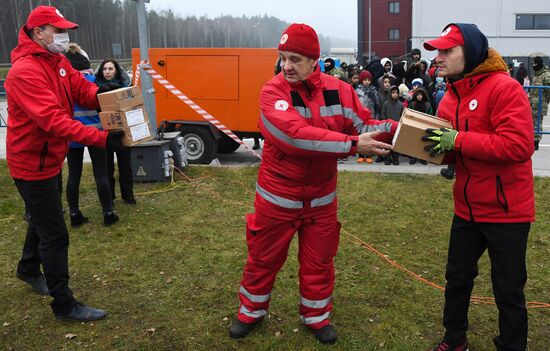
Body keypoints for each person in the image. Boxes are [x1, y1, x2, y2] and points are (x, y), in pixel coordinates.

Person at [229, 23, 397, 345]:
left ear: (313, 60)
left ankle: (316, 317)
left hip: (320, 202)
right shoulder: (273, 92)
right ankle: (250, 312)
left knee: (319, 263)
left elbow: (366, 124)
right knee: (263, 261)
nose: (286, 66)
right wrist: (351, 144)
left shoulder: (340, 89)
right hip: (277, 201)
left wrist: (402, 128)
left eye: (295, 59)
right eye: (283, 58)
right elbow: (294, 136)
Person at [5, 5, 125, 322]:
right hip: (31, 165)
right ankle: (64, 305)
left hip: (50, 157)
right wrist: (101, 138)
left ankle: (28, 268)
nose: (63, 36)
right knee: (55, 233)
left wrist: (102, 92)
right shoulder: (25, 72)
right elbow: (52, 120)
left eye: (64, 30)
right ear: (37, 32)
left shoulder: (56, 59)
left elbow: (78, 86)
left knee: (44, 216)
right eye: (57, 30)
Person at [421, 23, 534, 351]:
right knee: (456, 280)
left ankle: (512, 345)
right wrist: (433, 149)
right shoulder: (449, 95)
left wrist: (458, 139)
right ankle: (454, 340)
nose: (438, 58)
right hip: (466, 209)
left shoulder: (504, 88)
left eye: (446, 51)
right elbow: (451, 152)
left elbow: (517, 146)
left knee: (508, 290)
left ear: (468, 53)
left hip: (507, 211)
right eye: (437, 51)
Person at [63, 44, 119, 227]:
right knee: (101, 175)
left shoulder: (65, 84)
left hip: (73, 136)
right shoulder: (95, 82)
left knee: (74, 176)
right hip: (96, 134)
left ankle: (74, 214)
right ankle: (108, 213)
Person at [95, 59, 136, 204]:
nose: (107, 72)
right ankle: (110, 196)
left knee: (125, 166)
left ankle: (128, 196)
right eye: (104, 69)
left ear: (116, 70)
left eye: (110, 69)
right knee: (107, 169)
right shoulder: (95, 87)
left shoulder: (125, 87)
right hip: (104, 133)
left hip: (123, 132)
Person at [529, 56, 550, 150]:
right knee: (531, 122)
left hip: (540, 104)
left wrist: (546, 102)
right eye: (532, 64)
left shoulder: (546, 75)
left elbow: (549, 91)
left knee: (537, 123)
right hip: (532, 103)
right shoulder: (536, 75)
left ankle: (536, 142)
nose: (533, 66)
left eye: (535, 64)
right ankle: (531, 139)